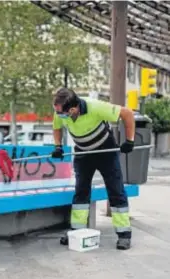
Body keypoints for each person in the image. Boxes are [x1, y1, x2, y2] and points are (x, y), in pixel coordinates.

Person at [51, 88, 136, 250]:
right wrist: (58, 146)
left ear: (73, 109)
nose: (59, 115)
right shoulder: (61, 111)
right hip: (83, 152)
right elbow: (56, 127)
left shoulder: (95, 107)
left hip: (106, 151)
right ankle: (76, 232)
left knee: (116, 191)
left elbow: (127, 113)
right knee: (81, 191)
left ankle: (124, 234)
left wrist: (129, 140)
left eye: (62, 113)